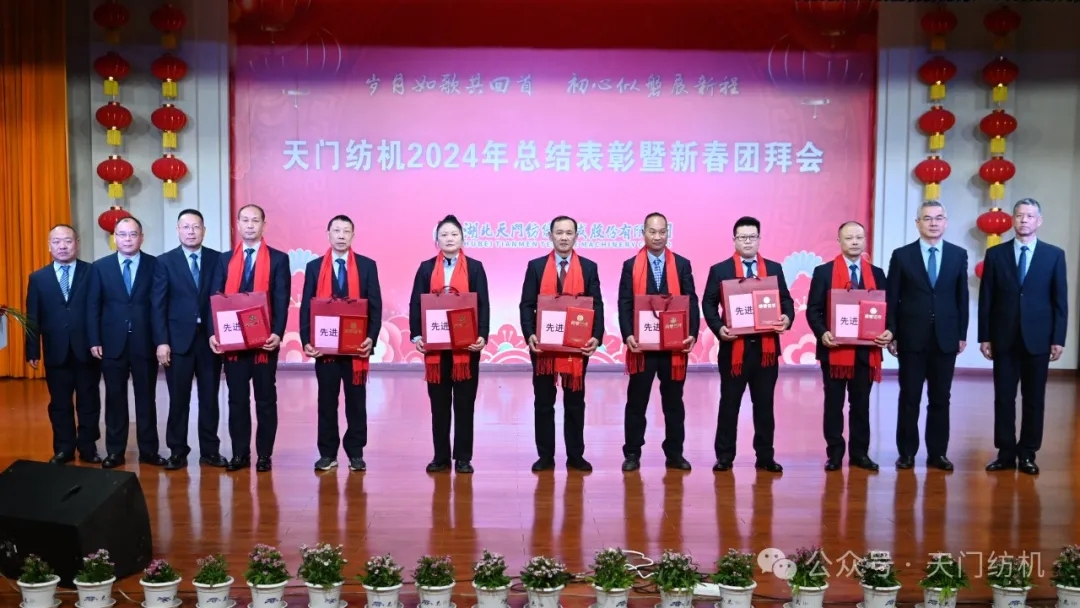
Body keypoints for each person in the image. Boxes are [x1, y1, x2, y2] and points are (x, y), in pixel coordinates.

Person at [979, 198, 1068, 475]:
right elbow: (986, 299)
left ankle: (1028, 453)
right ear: (1013, 220)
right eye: (1019, 215)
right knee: (1004, 398)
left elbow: (1060, 301)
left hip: (1039, 339)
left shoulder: (1054, 255)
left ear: (1039, 221)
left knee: (1034, 399)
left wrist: (1058, 338)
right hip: (1004, 338)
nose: (1024, 220)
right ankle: (1005, 453)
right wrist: (985, 336)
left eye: (1030, 216)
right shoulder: (996, 255)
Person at [702, 216, 792, 474]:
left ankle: (765, 456)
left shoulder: (773, 269)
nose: (748, 241)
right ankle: (724, 456)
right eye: (743, 237)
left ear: (759, 239)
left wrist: (786, 318)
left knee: (764, 405)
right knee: (729, 404)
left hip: (765, 352)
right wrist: (719, 328)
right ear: (734, 240)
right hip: (734, 350)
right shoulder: (720, 270)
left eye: (752, 237)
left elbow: (786, 301)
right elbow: (708, 303)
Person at [886, 200, 969, 471]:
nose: (933, 223)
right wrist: (892, 332)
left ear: (946, 222)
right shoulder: (902, 255)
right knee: (909, 396)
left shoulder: (958, 255)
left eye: (938, 218)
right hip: (911, 337)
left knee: (940, 397)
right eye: (927, 218)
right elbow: (892, 298)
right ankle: (907, 453)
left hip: (945, 337)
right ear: (918, 223)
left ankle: (938, 453)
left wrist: (961, 333)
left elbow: (962, 297)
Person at [518, 215, 604, 473]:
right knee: (544, 402)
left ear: (576, 236)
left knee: (575, 402)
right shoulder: (535, 266)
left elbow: (597, 304)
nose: (564, 237)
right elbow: (526, 304)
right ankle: (545, 456)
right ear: (550, 236)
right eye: (559, 232)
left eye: (569, 233)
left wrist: (596, 336)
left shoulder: (589, 267)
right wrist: (529, 334)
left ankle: (575, 455)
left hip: (576, 347)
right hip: (543, 346)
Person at [210, 204, 291, 473]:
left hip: (264, 344)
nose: (249, 225)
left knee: (265, 401)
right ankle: (240, 453)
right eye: (245, 220)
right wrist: (214, 333)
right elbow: (216, 299)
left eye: (255, 220)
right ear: (237, 225)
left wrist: (277, 333)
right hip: (233, 344)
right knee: (237, 400)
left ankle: (264, 454)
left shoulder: (278, 259)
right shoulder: (224, 260)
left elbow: (281, 300)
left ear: (263, 225)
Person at [300, 214, 383, 473]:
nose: (341, 235)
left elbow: (375, 306)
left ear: (353, 235)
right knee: (327, 401)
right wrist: (306, 340)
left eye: (346, 231)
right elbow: (306, 307)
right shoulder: (314, 267)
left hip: (356, 349)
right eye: (336, 230)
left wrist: (371, 337)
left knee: (356, 401)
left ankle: (356, 452)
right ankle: (327, 453)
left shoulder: (367, 266)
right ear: (328, 235)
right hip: (325, 349)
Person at [805, 221, 890, 472]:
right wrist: (823, 333)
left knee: (861, 405)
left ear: (864, 241)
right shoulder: (824, 272)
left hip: (865, 352)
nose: (854, 242)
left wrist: (890, 330)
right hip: (835, 351)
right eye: (849, 238)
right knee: (834, 404)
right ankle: (834, 453)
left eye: (859, 238)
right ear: (839, 241)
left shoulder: (877, 274)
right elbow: (813, 310)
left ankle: (860, 454)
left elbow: (888, 310)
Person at [618, 212, 699, 472]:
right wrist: (628, 335)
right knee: (636, 402)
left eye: (662, 231)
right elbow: (624, 303)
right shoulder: (631, 265)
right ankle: (632, 453)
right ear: (643, 233)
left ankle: (674, 453)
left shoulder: (682, 265)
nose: (657, 236)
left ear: (667, 233)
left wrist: (692, 333)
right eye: (652, 231)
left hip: (673, 347)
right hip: (642, 347)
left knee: (673, 402)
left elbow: (691, 301)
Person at [409, 215, 490, 474]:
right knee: (439, 405)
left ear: (463, 238)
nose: (449, 238)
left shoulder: (475, 268)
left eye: (454, 234)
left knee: (465, 404)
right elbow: (416, 303)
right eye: (444, 234)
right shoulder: (425, 268)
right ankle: (441, 457)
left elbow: (483, 303)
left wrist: (482, 335)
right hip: (436, 349)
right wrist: (417, 336)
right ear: (437, 240)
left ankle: (463, 457)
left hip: (466, 348)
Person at [151, 209, 228, 470]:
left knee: (210, 398)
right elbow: (158, 304)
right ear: (178, 230)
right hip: (177, 342)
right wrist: (162, 341)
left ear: (204, 230)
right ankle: (177, 451)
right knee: (178, 399)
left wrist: (218, 333)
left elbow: (221, 299)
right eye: (186, 227)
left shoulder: (217, 259)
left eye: (196, 227)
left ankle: (210, 450)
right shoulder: (164, 262)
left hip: (209, 341)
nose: (191, 232)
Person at [86, 217, 165, 469]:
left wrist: (161, 340)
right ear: (115, 238)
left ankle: (149, 451)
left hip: (145, 342)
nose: (128, 239)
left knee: (146, 398)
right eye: (122, 234)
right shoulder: (100, 267)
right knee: (115, 398)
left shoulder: (155, 264)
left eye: (133, 234)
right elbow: (93, 306)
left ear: (141, 237)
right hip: (112, 343)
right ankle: (115, 451)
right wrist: (94, 339)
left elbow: (159, 305)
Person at [25, 224, 102, 465]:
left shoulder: (92, 272)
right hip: (55, 350)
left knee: (89, 402)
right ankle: (64, 448)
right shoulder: (38, 278)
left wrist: (97, 341)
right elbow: (32, 317)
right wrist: (32, 350)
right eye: (57, 242)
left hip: (87, 349)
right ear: (49, 246)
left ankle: (88, 447)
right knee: (59, 404)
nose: (62, 246)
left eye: (67, 241)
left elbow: (98, 309)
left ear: (76, 243)